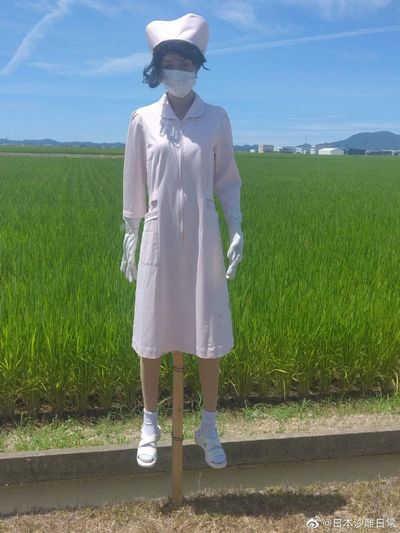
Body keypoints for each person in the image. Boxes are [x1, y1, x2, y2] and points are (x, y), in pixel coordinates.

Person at [120, 13, 243, 470]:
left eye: (186, 62)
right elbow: (134, 182)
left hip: (204, 237)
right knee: (152, 332)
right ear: (158, 69)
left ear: (197, 67)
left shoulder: (215, 119)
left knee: (208, 330)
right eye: (170, 62)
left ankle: (208, 424)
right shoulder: (143, 120)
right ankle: (149, 422)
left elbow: (227, 179)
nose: (178, 70)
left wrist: (236, 226)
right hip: (158, 237)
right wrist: (131, 236)